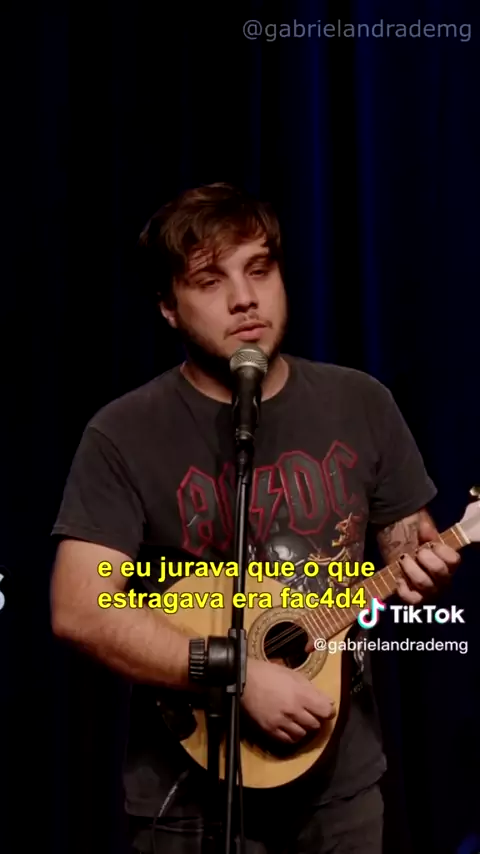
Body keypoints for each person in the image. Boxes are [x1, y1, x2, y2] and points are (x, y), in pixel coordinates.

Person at [50, 182, 461, 854]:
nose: (245, 299)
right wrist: (233, 670)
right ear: (168, 307)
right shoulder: (124, 433)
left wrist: (428, 569)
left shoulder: (360, 403)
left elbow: (406, 549)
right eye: (210, 281)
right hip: (185, 799)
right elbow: (80, 608)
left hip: (341, 791)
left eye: (259, 270)